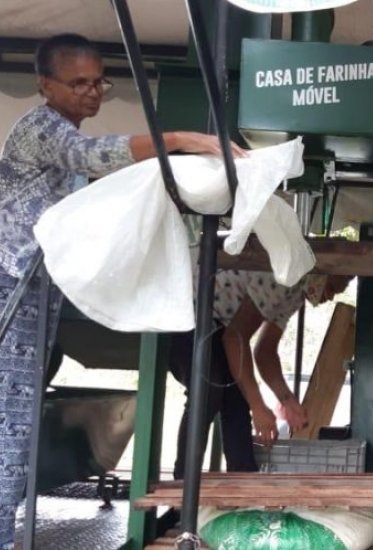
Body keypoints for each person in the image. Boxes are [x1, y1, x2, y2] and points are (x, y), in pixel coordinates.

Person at [0, 33, 244, 550]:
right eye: (79, 82)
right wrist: (181, 140)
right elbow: (95, 154)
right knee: (7, 431)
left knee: (17, 432)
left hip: (36, 297)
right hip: (10, 291)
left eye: (99, 82)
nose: (92, 92)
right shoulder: (41, 129)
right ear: (45, 84)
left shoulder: (62, 149)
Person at [170, 270, 352, 479]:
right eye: (330, 289)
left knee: (238, 400)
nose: (328, 298)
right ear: (319, 274)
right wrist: (258, 406)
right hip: (187, 319)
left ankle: (243, 480)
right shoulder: (284, 278)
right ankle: (183, 484)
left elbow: (264, 350)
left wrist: (287, 399)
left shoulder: (295, 293)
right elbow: (235, 338)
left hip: (217, 328)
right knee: (208, 392)